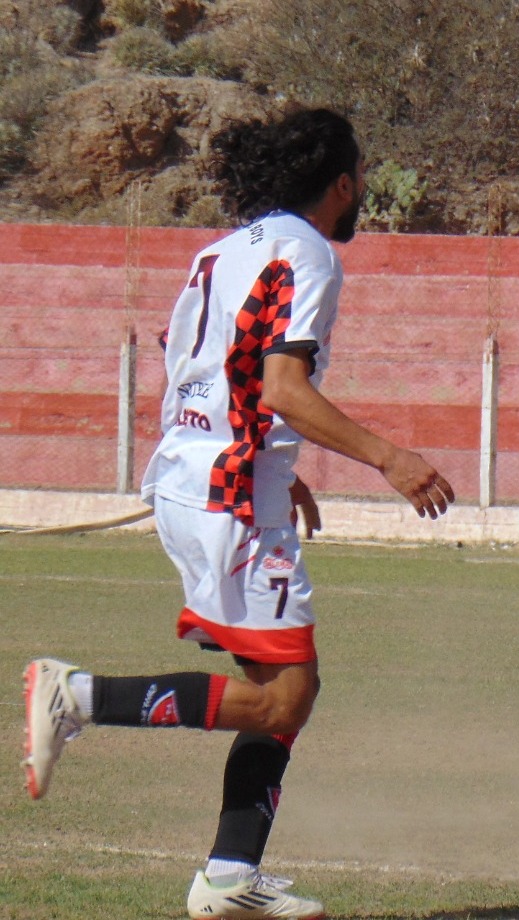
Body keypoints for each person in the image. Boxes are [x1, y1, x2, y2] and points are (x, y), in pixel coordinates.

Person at [21, 108, 456, 920]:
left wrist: (269, 458)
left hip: (202, 476)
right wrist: (389, 457)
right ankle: (77, 695)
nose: (359, 190)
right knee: (284, 700)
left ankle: (229, 877)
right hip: (229, 495)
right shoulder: (310, 252)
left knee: (288, 685)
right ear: (341, 183)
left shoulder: (221, 252)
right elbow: (284, 386)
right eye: (357, 176)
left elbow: (187, 360)